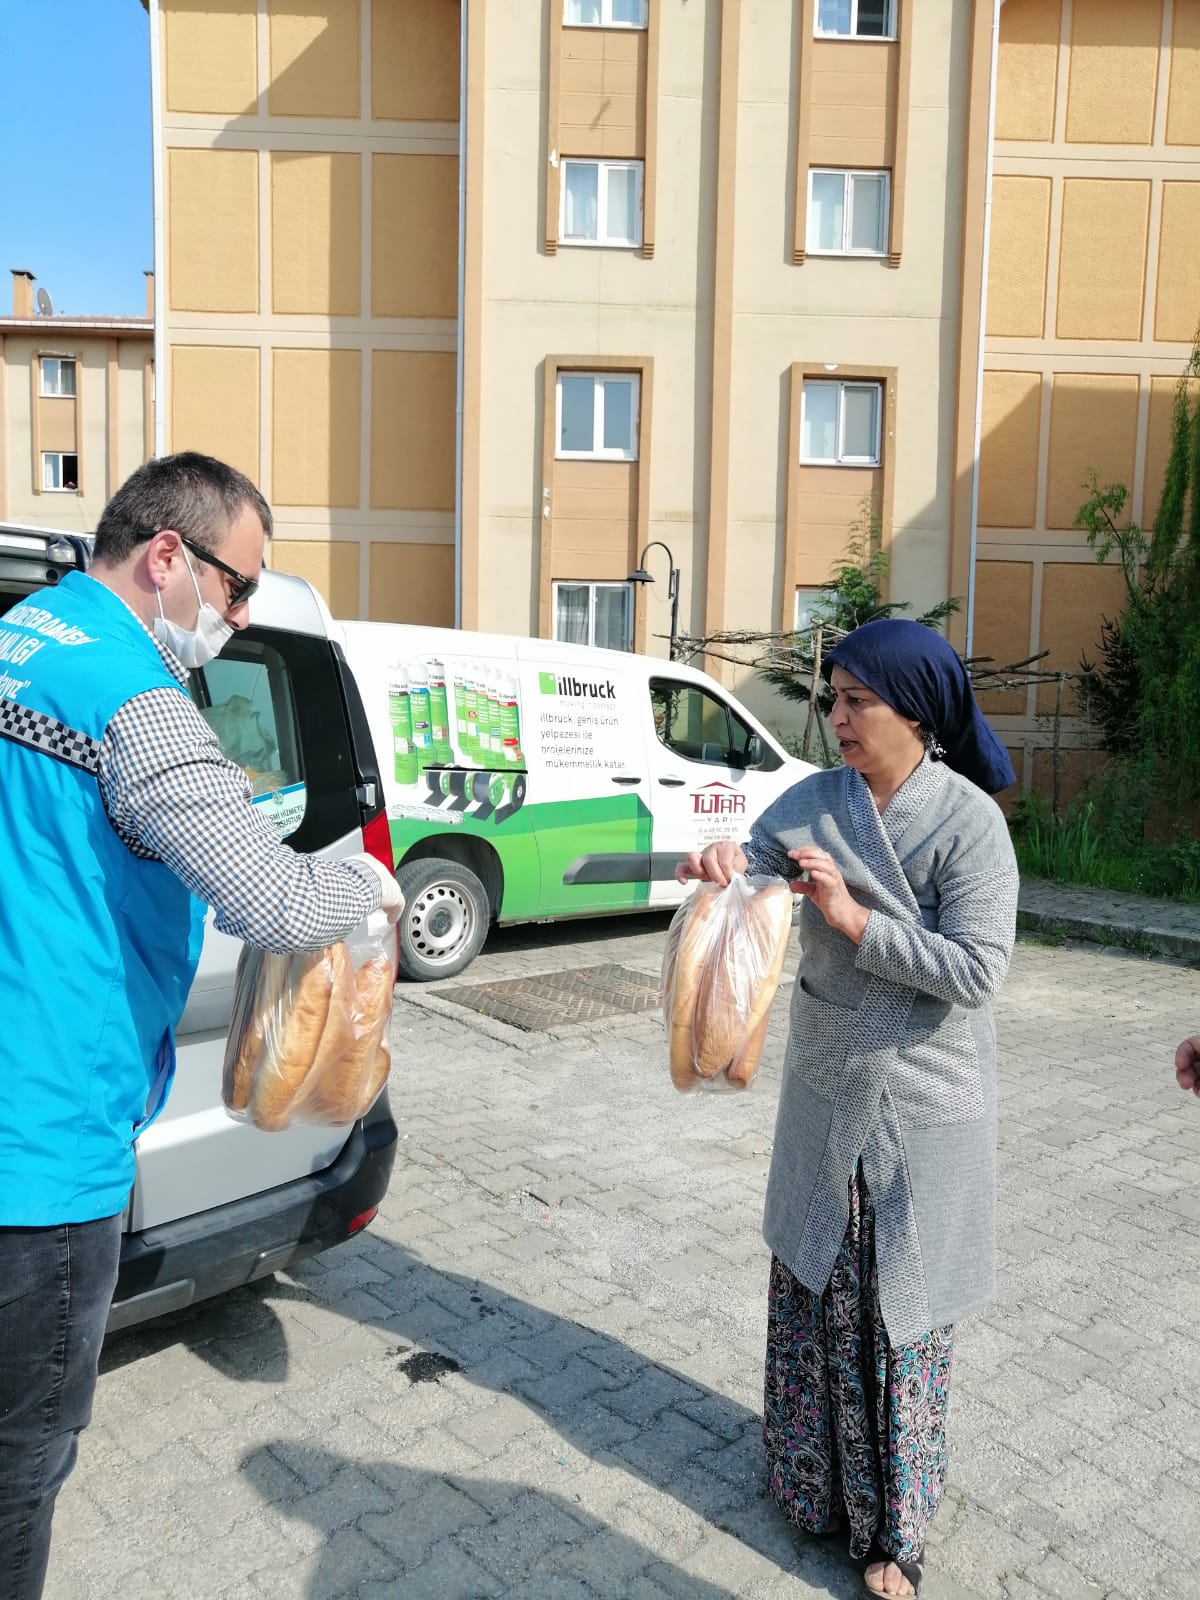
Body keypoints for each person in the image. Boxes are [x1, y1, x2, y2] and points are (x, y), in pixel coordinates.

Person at [0, 452, 403, 1600]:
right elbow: (266, 897)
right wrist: (368, 890)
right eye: (238, 590)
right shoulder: (137, 697)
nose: (236, 619)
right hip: (41, 1143)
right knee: (23, 1458)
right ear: (168, 556)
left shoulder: (23, 633)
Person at [678, 618, 1019, 1598]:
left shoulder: (966, 825)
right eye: (831, 699)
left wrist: (857, 920)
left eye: (856, 701)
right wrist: (723, 867)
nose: (837, 719)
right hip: (828, 1086)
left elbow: (978, 969)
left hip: (922, 1100)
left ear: (915, 710)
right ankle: (811, 1488)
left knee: (895, 1313)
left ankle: (894, 1531)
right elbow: (752, 859)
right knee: (814, 1285)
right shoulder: (816, 801)